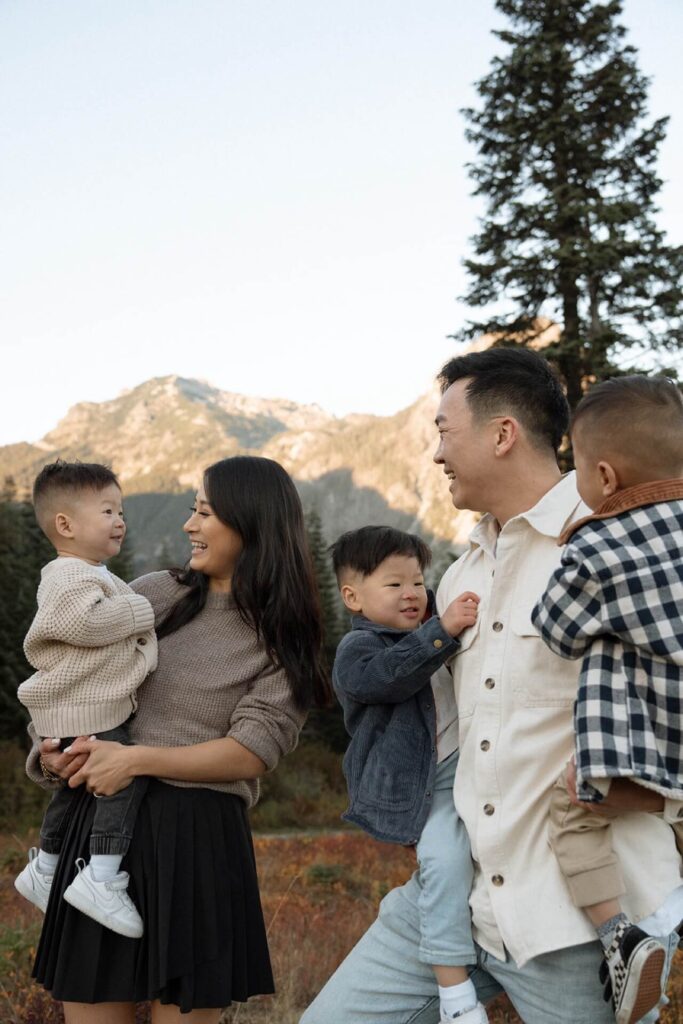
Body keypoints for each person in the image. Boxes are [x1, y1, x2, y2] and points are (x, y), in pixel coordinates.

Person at [300, 348, 682, 1024]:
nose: (436, 453)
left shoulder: (614, 545)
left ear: (501, 434)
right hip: (447, 905)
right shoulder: (456, 577)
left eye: (444, 431)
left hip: (573, 921)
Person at [27, 455, 330, 1024]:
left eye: (205, 512)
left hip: (196, 843)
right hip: (99, 839)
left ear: (251, 522)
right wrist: (50, 752)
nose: (189, 525)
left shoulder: (281, 635)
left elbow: (251, 751)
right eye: (192, 511)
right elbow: (67, 676)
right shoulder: (153, 594)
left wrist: (134, 760)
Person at [531, 375, 683, 1024]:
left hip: (635, 741)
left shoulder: (596, 546)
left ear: (603, 476)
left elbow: (556, 631)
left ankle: (620, 935)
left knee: (570, 814)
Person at [330, 525, 485, 1023]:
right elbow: (389, 677)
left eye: (418, 581)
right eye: (394, 585)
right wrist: (443, 629)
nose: (412, 594)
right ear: (353, 597)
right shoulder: (358, 651)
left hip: (473, 767)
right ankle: (456, 994)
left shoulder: (435, 623)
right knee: (444, 864)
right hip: (425, 786)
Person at [15, 460, 158, 939]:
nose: (120, 520)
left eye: (119, 510)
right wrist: (140, 609)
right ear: (65, 525)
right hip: (86, 707)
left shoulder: (86, 571)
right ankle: (100, 877)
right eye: (107, 510)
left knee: (71, 789)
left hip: (73, 707)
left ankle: (46, 866)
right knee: (119, 782)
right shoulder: (69, 575)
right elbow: (83, 625)